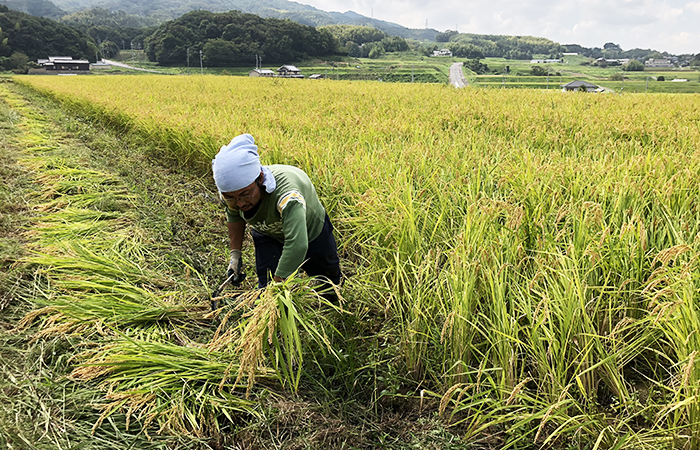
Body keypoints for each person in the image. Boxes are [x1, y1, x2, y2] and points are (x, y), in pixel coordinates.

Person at [212, 133, 341, 296]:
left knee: (328, 281)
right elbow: (234, 215)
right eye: (231, 198)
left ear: (259, 178)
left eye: (245, 195)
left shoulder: (287, 197)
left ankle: (335, 308)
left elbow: (298, 244)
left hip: (311, 231)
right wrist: (235, 256)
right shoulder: (231, 192)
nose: (240, 203)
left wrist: (278, 286)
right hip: (268, 233)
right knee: (266, 284)